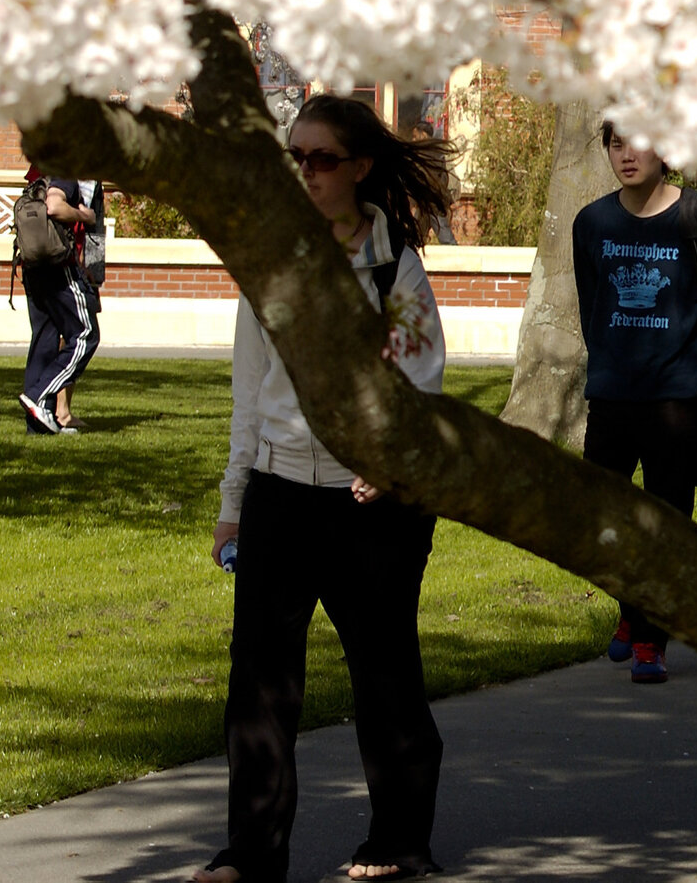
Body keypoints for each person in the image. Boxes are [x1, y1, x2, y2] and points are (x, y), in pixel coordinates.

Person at [195, 94, 451, 883]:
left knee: (385, 674)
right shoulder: (269, 258)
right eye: (294, 157)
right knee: (261, 685)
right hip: (280, 491)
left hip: (369, 503)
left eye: (321, 158)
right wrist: (234, 502)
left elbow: (421, 376)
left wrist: (390, 460)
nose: (305, 170)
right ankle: (252, 850)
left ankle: (399, 840)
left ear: (359, 167)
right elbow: (249, 388)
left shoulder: (393, 263)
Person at [574, 124, 697, 684]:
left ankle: (651, 640)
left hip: (677, 402)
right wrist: (608, 368)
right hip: (613, 399)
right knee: (603, 523)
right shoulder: (592, 223)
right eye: (615, 144)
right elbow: (592, 306)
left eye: (639, 142)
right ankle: (631, 610)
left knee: (665, 526)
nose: (627, 155)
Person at [17, 170, 101, 436]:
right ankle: (38, 394)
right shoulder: (66, 169)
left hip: (33, 267)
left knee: (44, 341)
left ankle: (38, 427)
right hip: (59, 267)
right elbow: (54, 206)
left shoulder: (40, 171)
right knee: (86, 335)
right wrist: (84, 215)